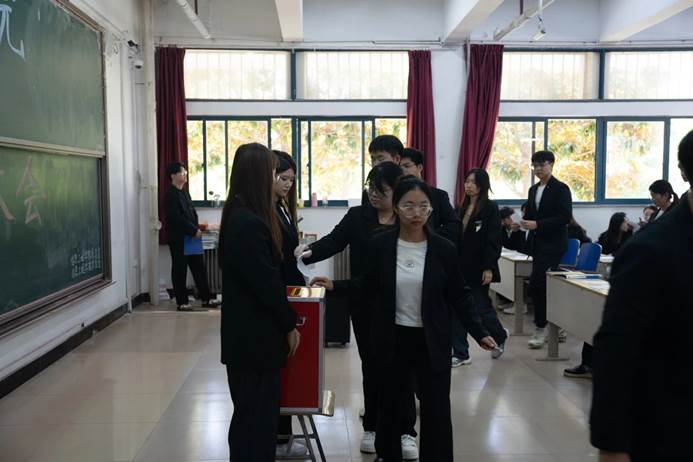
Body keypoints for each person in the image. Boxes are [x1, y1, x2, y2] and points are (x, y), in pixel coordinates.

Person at [311, 177, 497, 461]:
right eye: (409, 206)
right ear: (396, 208)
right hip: (393, 338)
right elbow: (367, 284)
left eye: (423, 206)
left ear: (431, 210)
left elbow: (459, 295)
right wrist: (336, 285)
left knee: (436, 411)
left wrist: (479, 331)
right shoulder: (381, 245)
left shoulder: (443, 249)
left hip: (431, 340)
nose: (416, 213)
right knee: (390, 408)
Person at [296, 163, 419, 458]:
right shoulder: (357, 216)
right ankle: (372, 427)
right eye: (370, 188)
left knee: (403, 368)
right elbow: (334, 241)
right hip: (365, 303)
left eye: (381, 190)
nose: (373, 195)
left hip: (403, 303)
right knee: (372, 367)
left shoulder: (408, 218)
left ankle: (406, 431)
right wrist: (308, 253)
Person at [590, 130, 693, 462]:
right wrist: (612, 445)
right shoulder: (650, 250)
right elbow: (616, 350)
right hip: (671, 427)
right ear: (686, 174)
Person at [218, 143, 301, 461]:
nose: (276, 178)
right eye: (272, 172)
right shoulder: (248, 223)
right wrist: (289, 324)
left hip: (249, 337)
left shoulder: (242, 214)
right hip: (254, 339)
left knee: (254, 417)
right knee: (254, 420)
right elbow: (267, 284)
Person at [451, 168, 508, 366]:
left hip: (479, 267)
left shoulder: (490, 207)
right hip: (460, 266)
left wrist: (489, 267)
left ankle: (500, 335)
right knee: (457, 309)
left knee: (481, 308)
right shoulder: (461, 206)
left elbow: (493, 239)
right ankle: (460, 352)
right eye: (467, 181)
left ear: (482, 185)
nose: (469, 185)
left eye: (473, 182)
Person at [564, 213, 632, 380]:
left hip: (624, 285)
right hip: (609, 280)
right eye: (625, 221)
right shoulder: (606, 236)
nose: (628, 224)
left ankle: (602, 365)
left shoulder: (631, 238)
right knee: (594, 317)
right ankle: (588, 363)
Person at [271, 150, 308, 458]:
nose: (287, 185)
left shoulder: (282, 206)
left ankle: (283, 433)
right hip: (280, 293)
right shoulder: (265, 211)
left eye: (291, 180)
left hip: (290, 287)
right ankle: (279, 435)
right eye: (283, 178)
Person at [521, 150, 573, 349]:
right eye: (535, 165)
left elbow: (564, 217)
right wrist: (522, 224)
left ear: (551, 164)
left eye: (542, 165)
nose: (538, 169)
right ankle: (554, 325)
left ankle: (542, 327)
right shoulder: (533, 190)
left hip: (554, 244)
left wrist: (538, 224)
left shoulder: (561, 188)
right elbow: (532, 215)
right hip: (538, 244)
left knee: (539, 284)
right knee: (539, 285)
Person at [163, 162, 220, 311]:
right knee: (180, 269)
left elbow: (190, 214)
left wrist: (197, 229)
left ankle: (206, 298)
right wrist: (193, 230)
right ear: (173, 175)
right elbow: (176, 218)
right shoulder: (170, 195)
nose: (185, 174)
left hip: (192, 238)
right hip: (180, 238)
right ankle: (182, 302)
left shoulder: (184, 192)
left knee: (199, 267)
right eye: (182, 172)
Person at [399, 148, 460, 242]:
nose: (402, 171)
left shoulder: (438, 195)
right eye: (399, 167)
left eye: (406, 166)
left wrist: (430, 236)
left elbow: (454, 225)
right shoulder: (395, 195)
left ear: (420, 167)